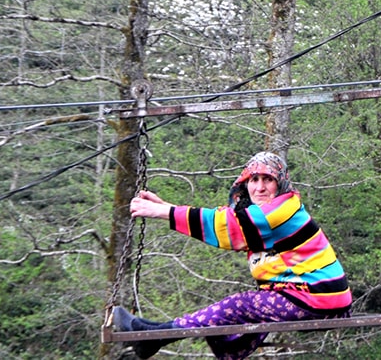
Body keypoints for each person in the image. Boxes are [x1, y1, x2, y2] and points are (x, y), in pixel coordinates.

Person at [112, 151, 352, 360]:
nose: (260, 187)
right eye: (254, 180)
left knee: (239, 305)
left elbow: (226, 226)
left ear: (280, 183)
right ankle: (158, 335)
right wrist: (166, 207)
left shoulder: (280, 211)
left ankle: (156, 336)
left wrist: (165, 212)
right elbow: (228, 220)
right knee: (237, 318)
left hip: (319, 297)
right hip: (315, 297)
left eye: (268, 179)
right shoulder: (267, 213)